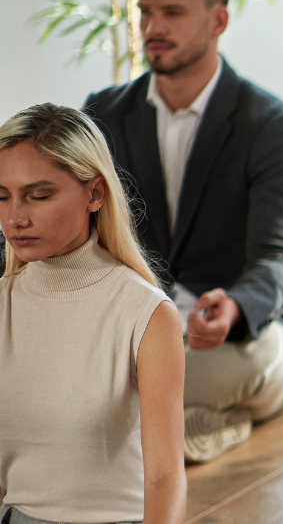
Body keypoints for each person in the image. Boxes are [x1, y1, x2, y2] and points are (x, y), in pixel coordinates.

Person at [81, 0, 283, 464]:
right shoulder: (102, 114)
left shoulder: (275, 128)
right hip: (133, 333)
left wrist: (237, 307)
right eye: (145, 11)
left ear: (218, 21)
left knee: (240, 358)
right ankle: (189, 427)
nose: (152, 26)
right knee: (116, 373)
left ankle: (128, 433)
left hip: (238, 337)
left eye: (172, 13)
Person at [0, 103, 186, 524]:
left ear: (96, 193)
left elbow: (165, 476)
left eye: (39, 195)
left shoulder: (146, 313)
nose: (15, 217)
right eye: (1, 196)